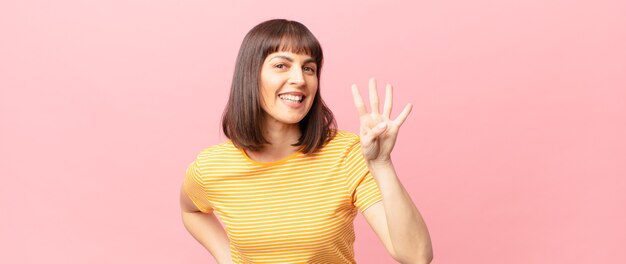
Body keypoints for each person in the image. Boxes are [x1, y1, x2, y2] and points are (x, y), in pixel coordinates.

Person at [180, 19, 433, 264]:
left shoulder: (347, 154)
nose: (300, 79)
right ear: (250, 75)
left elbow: (416, 256)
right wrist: (229, 259)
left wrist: (382, 164)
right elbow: (191, 210)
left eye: (308, 68)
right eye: (281, 65)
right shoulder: (212, 166)